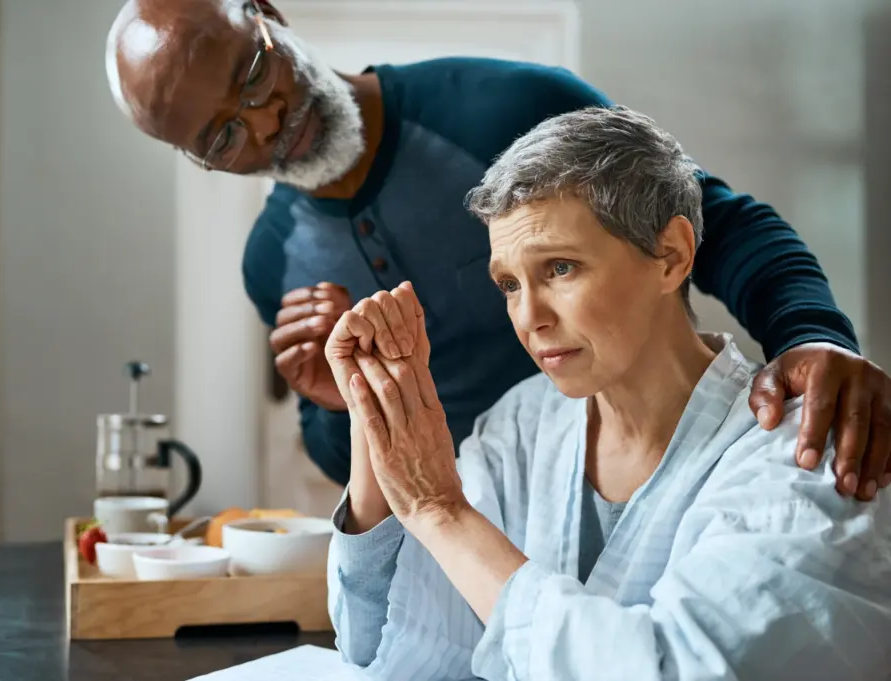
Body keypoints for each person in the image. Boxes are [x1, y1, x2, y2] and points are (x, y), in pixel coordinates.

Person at [104, 0, 891, 499]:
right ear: (200, 160)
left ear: (267, 15)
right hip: (476, 557)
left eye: (252, 72)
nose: (268, 120)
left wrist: (810, 334)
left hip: (668, 494)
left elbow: (715, 222)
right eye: (223, 134)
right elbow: (359, 469)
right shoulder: (269, 259)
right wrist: (335, 403)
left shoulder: (508, 103)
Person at [323, 106, 891, 681]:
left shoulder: (806, 457)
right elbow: (399, 651)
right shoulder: (520, 427)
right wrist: (375, 417)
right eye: (509, 284)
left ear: (671, 255)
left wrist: (440, 509)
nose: (530, 318)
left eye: (561, 268)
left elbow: (674, 671)